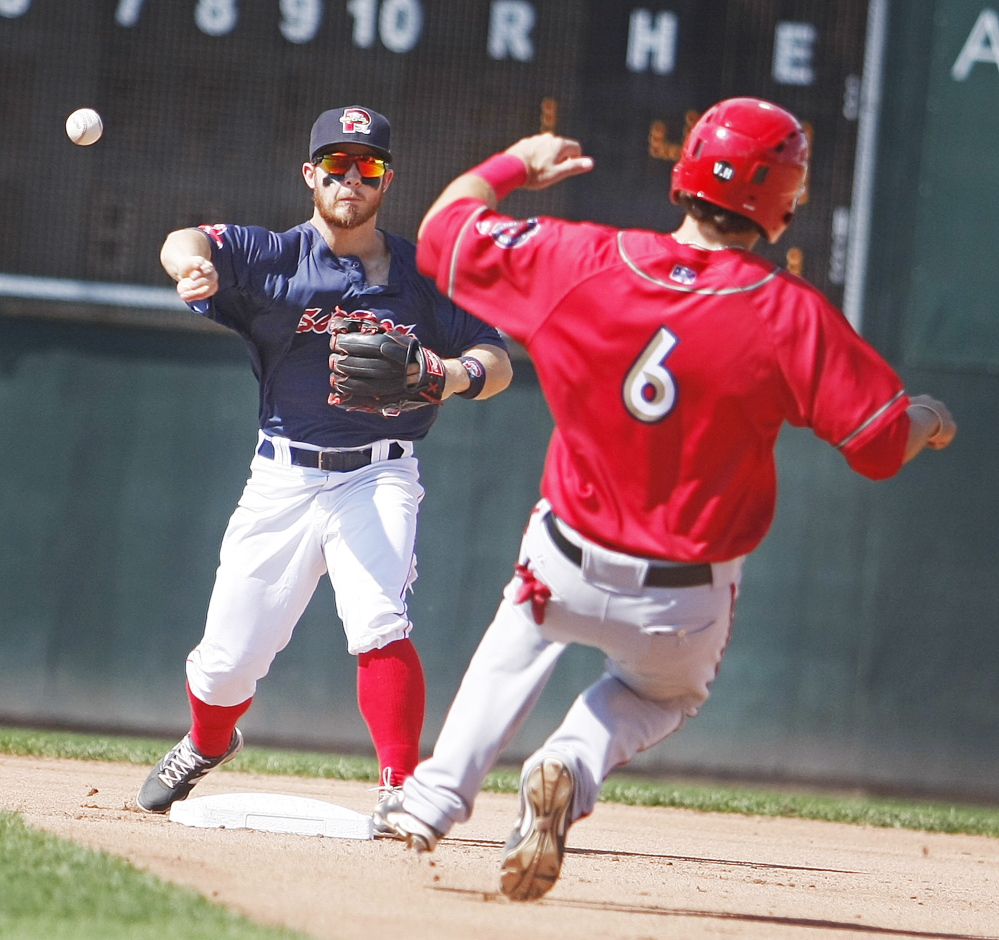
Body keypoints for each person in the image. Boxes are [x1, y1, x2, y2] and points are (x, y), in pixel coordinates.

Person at [374, 97, 957, 900]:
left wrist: (514, 163)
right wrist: (925, 418)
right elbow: (879, 447)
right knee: (664, 694)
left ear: (684, 174)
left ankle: (434, 798)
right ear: (782, 202)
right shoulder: (790, 315)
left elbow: (442, 235)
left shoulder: (581, 260)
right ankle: (570, 765)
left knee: (522, 626)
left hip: (566, 557)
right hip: (682, 600)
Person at [135, 106, 512, 825]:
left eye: (365, 166)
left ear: (386, 179)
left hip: (379, 472)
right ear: (310, 175)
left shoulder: (420, 276)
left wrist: (450, 373)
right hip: (283, 475)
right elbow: (185, 237)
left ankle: (401, 787)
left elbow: (497, 362)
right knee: (224, 663)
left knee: (378, 619)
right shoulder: (272, 257)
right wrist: (189, 264)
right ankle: (207, 743)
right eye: (334, 165)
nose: (349, 179)